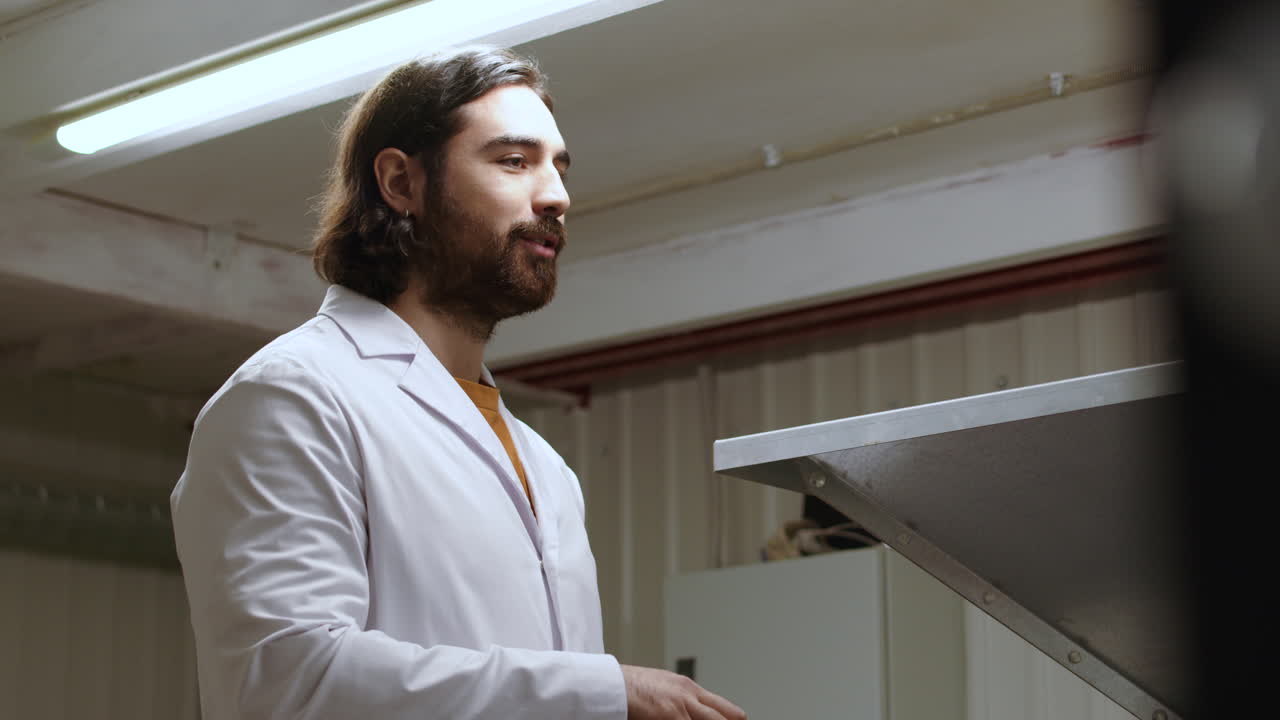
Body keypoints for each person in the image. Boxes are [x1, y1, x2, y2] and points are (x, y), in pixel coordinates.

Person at [170, 46, 746, 720]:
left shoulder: (546, 469)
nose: (556, 196)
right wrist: (602, 691)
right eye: (514, 161)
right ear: (401, 183)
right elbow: (288, 682)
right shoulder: (291, 397)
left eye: (559, 168)